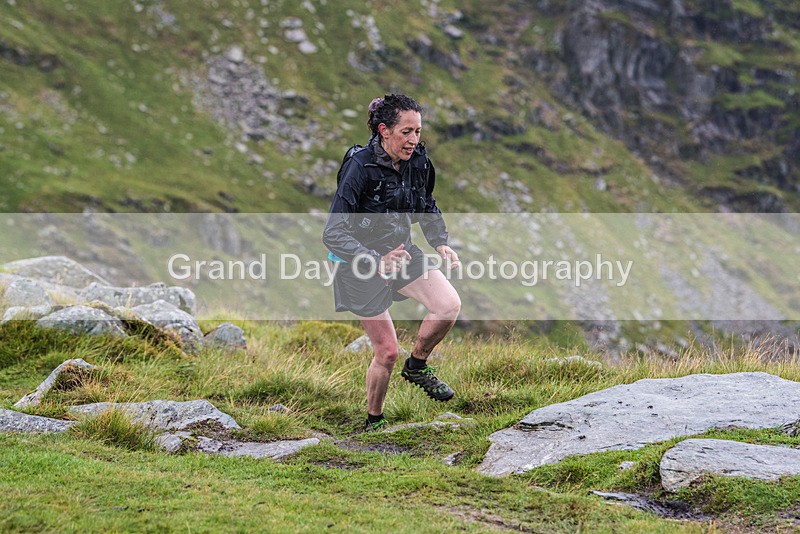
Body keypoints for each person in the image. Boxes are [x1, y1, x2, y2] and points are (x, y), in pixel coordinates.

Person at [322, 94, 461, 432]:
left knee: (448, 305)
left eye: (418, 132)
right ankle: (374, 421)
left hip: (402, 252)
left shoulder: (419, 162)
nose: (414, 140)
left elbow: (425, 204)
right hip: (359, 265)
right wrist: (375, 259)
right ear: (384, 130)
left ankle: (417, 365)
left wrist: (440, 242)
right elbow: (333, 232)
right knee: (386, 352)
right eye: (406, 132)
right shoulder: (359, 167)